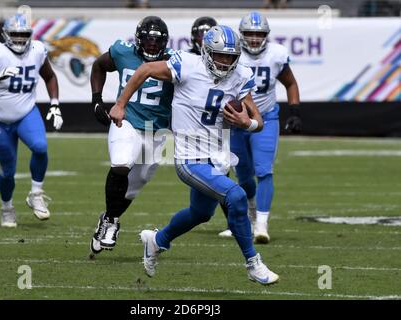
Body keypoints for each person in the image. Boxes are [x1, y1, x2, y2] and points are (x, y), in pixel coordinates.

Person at [110, 25, 279, 285]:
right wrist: (120, 104)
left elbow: (258, 120)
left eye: (230, 57)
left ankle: (156, 241)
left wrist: (247, 123)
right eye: (220, 55)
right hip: (189, 157)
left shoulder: (239, 76)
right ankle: (253, 264)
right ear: (207, 51)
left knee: (200, 213)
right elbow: (144, 70)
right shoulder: (186, 65)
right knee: (237, 195)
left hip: (218, 156)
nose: (225, 62)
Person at [89, 16, 174, 254]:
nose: (152, 46)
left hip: (157, 131)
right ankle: (111, 223)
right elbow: (98, 65)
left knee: (135, 186)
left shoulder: (174, 62)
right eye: (147, 41)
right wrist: (97, 100)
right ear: (138, 40)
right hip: (125, 121)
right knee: (121, 164)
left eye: (157, 42)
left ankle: (108, 216)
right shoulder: (122, 52)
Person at [0, 13, 63, 228]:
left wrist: (55, 104)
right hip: (0, 119)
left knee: (40, 147)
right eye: (15, 34)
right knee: (7, 170)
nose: (20, 39)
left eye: (24, 34)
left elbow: (49, 76)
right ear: (6, 34)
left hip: (26, 112)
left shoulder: (38, 50)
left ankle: (36, 193)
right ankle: (7, 208)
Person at [218, 11, 301, 243]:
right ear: (241, 34)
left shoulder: (276, 54)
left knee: (264, 171)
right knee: (243, 175)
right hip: (236, 121)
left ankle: (262, 225)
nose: (254, 38)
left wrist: (295, 112)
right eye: (249, 33)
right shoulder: (231, 54)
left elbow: (290, 83)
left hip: (266, 117)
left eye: (259, 33)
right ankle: (252, 214)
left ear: (267, 35)